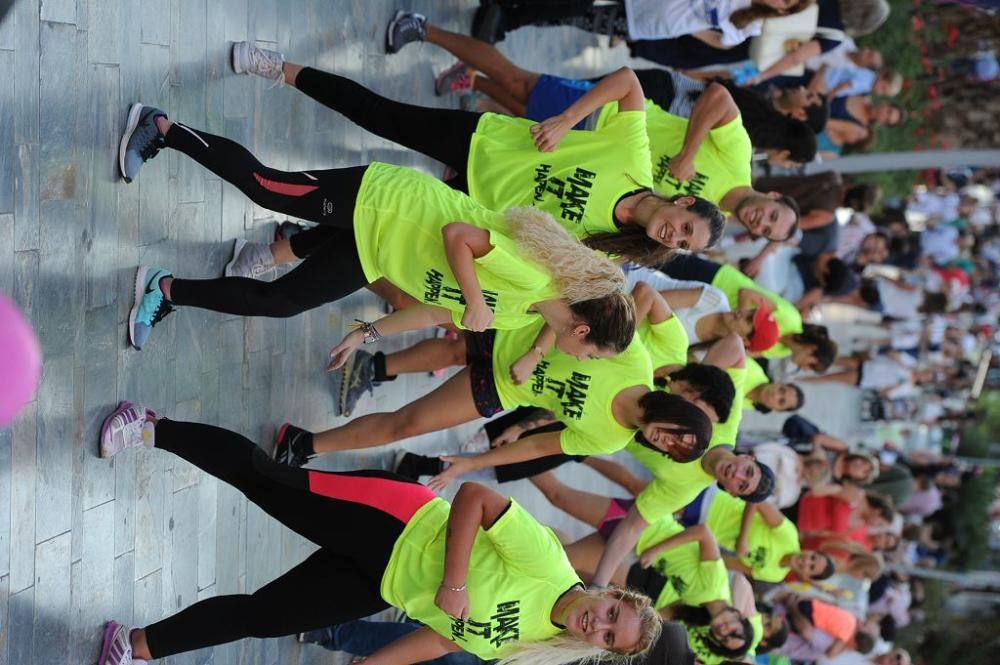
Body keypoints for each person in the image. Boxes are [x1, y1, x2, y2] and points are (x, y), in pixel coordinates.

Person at [94, 402, 662, 665]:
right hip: (394, 522)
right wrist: (457, 582)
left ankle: (138, 645)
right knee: (265, 481)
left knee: (263, 618)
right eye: (613, 613)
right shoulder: (548, 564)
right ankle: (149, 426)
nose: (601, 624)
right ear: (609, 592)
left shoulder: (535, 648)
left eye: (610, 637)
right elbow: (476, 498)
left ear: (602, 651)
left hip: (380, 584)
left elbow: (445, 638)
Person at [117, 107, 631, 353]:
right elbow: (459, 236)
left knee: (282, 303)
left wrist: (366, 333)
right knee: (266, 186)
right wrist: (475, 299)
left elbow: (434, 308)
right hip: (385, 203)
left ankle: (165, 289)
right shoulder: (530, 280)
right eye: (594, 353)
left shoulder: (523, 316)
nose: (584, 357)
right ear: (583, 330)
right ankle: (162, 130)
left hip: (380, 251)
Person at [228, 43, 726, 265]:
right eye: (685, 228)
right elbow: (627, 82)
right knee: (380, 114)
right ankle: (278, 67)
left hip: (470, 208)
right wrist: (567, 120)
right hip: (485, 143)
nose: (673, 237)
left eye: (682, 246)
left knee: (371, 225)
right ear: (683, 203)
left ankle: (278, 252)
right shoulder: (634, 161)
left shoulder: (609, 248)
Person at [275, 316, 715, 472]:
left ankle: (303, 444)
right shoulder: (634, 362)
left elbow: (538, 446)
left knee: (407, 424)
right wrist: (539, 349)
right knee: (440, 329)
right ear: (680, 411)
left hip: (504, 388)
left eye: (675, 451)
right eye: (681, 434)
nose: (669, 442)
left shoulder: (610, 439)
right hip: (513, 332)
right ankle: (372, 358)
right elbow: (581, 309)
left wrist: (474, 463)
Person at [385, 16, 820, 169]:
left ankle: (472, 79)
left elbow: (712, 84)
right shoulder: (744, 143)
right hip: (635, 104)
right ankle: (424, 28)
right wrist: (688, 152)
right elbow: (716, 96)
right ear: (784, 152)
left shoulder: (758, 115)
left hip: (643, 102)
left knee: (527, 102)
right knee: (522, 82)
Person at [468, 0, 815, 46]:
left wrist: (689, 27)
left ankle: (504, 19)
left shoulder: (750, 24)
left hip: (645, 23)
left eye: (787, 1)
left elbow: (723, 42)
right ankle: (504, 17)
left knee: (570, 17)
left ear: (783, 12)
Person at [685, 486, 836, 583]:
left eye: (811, 567)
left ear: (806, 577)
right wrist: (743, 538)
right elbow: (757, 501)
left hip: (699, 531)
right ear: (810, 551)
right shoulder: (789, 536)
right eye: (812, 557)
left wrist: (698, 558)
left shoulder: (776, 576)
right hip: (712, 504)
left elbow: (729, 563)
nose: (806, 561)